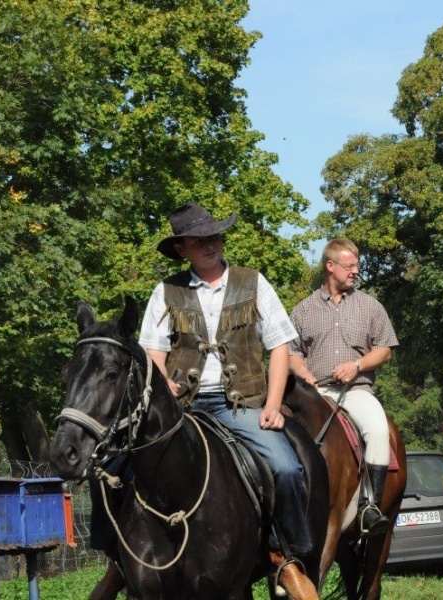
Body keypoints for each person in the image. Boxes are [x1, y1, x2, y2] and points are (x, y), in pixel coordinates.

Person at [138, 202, 315, 594]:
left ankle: (288, 555)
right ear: (182, 248)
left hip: (241, 406)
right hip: (183, 410)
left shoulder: (253, 282)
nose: (209, 244)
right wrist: (165, 384)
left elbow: (280, 347)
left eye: (214, 236)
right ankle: (123, 553)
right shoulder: (166, 290)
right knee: (119, 468)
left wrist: (271, 406)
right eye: (199, 240)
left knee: (286, 467)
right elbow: (152, 351)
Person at [288, 238, 399, 536]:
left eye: (356, 266)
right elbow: (291, 352)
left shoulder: (370, 306)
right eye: (349, 266)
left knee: (377, 429)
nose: (355, 271)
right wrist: (303, 373)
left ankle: (370, 506)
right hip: (316, 393)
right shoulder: (302, 310)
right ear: (330, 266)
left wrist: (357, 366)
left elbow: (385, 349)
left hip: (357, 391)